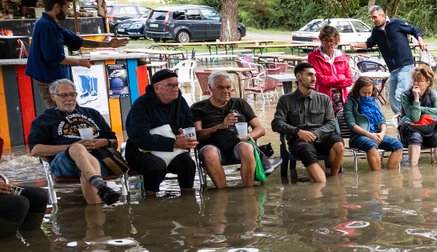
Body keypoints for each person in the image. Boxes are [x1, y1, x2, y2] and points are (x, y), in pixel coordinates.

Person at [27, 78, 123, 205]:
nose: (69, 98)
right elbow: (35, 150)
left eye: (72, 94)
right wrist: (71, 146)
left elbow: (114, 142)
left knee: (87, 173)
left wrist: (104, 142)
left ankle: (98, 206)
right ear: (53, 97)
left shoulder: (92, 113)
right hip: (64, 163)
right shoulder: (44, 119)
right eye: (63, 95)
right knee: (77, 148)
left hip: (98, 159)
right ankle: (101, 186)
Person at [25, 0, 129, 106]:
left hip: (55, 78)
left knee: (70, 110)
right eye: (66, 7)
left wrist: (108, 45)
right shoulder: (46, 26)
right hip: (48, 80)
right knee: (64, 111)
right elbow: (53, 57)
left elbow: (77, 41)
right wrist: (79, 62)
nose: (68, 11)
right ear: (57, 7)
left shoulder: (51, 24)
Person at [124, 68, 198, 196]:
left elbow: (188, 124)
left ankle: (189, 200)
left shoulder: (180, 101)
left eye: (176, 85)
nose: (175, 88)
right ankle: (151, 200)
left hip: (174, 150)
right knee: (155, 166)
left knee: (188, 163)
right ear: (157, 88)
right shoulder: (141, 105)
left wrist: (183, 134)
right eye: (170, 85)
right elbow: (139, 137)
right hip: (142, 152)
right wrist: (173, 142)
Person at [272, 62, 344, 184]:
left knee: (338, 144)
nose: (314, 79)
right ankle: (323, 184)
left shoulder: (324, 98)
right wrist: (297, 131)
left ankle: (335, 180)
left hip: (322, 137)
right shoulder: (285, 100)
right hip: (299, 140)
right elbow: (276, 123)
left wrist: (316, 133)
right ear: (299, 77)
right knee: (308, 154)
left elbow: (331, 123)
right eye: (310, 75)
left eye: (315, 75)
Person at [191, 73, 266, 189]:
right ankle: (222, 193)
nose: (226, 91)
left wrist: (250, 135)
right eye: (220, 88)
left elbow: (260, 129)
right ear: (210, 88)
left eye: (228, 87)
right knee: (209, 152)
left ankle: (249, 192)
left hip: (238, 147)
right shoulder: (198, 108)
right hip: (212, 147)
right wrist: (219, 126)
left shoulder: (239, 103)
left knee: (246, 147)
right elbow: (197, 135)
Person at [357, 5, 427, 114]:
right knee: (392, 98)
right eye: (371, 18)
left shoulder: (396, 23)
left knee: (401, 94)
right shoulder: (376, 31)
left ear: (382, 15)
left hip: (406, 65)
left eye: (374, 17)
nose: (373, 20)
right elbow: (368, 44)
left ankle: (408, 117)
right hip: (393, 70)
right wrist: (354, 45)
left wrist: (420, 40)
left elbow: (414, 30)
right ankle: (400, 118)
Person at [343, 76, 404, 171]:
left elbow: (382, 121)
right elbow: (352, 124)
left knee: (398, 145)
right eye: (364, 93)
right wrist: (370, 135)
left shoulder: (375, 101)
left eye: (369, 92)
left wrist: (382, 134)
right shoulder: (350, 102)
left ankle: (392, 175)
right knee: (371, 144)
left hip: (376, 135)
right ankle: (377, 176)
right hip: (358, 137)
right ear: (357, 90)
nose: (367, 96)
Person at [398, 63, 437, 165]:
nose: (415, 83)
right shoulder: (405, 96)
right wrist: (416, 99)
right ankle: (413, 171)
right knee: (415, 137)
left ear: (427, 82)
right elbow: (415, 118)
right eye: (414, 80)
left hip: (429, 128)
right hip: (411, 130)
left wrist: (419, 109)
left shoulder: (432, 93)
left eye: (419, 80)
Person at [306, 24, 354, 110]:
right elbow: (320, 79)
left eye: (331, 40)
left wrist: (332, 83)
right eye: (325, 40)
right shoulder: (314, 56)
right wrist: (340, 77)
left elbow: (350, 80)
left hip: (341, 99)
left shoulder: (341, 55)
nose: (329, 44)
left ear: (336, 40)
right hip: (322, 99)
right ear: (321, 40)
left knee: (341, 118)